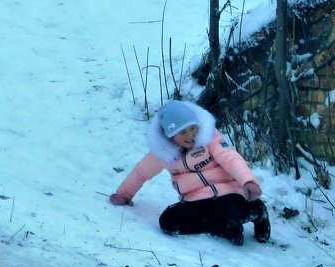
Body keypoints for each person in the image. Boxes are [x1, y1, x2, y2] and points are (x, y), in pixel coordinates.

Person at [109, 100, 270, 246]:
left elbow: (231, 159)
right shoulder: (164, 153)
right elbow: (141, 172)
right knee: (168, 222)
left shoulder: (208, 140)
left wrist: (248, 181)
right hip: (196, 200)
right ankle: (223, 227)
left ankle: (257, 210)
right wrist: (124, 194)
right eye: (183, 132)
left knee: (230, 210)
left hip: (227, 194)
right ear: (170, 136)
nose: (190, 135)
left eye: (193, 128)